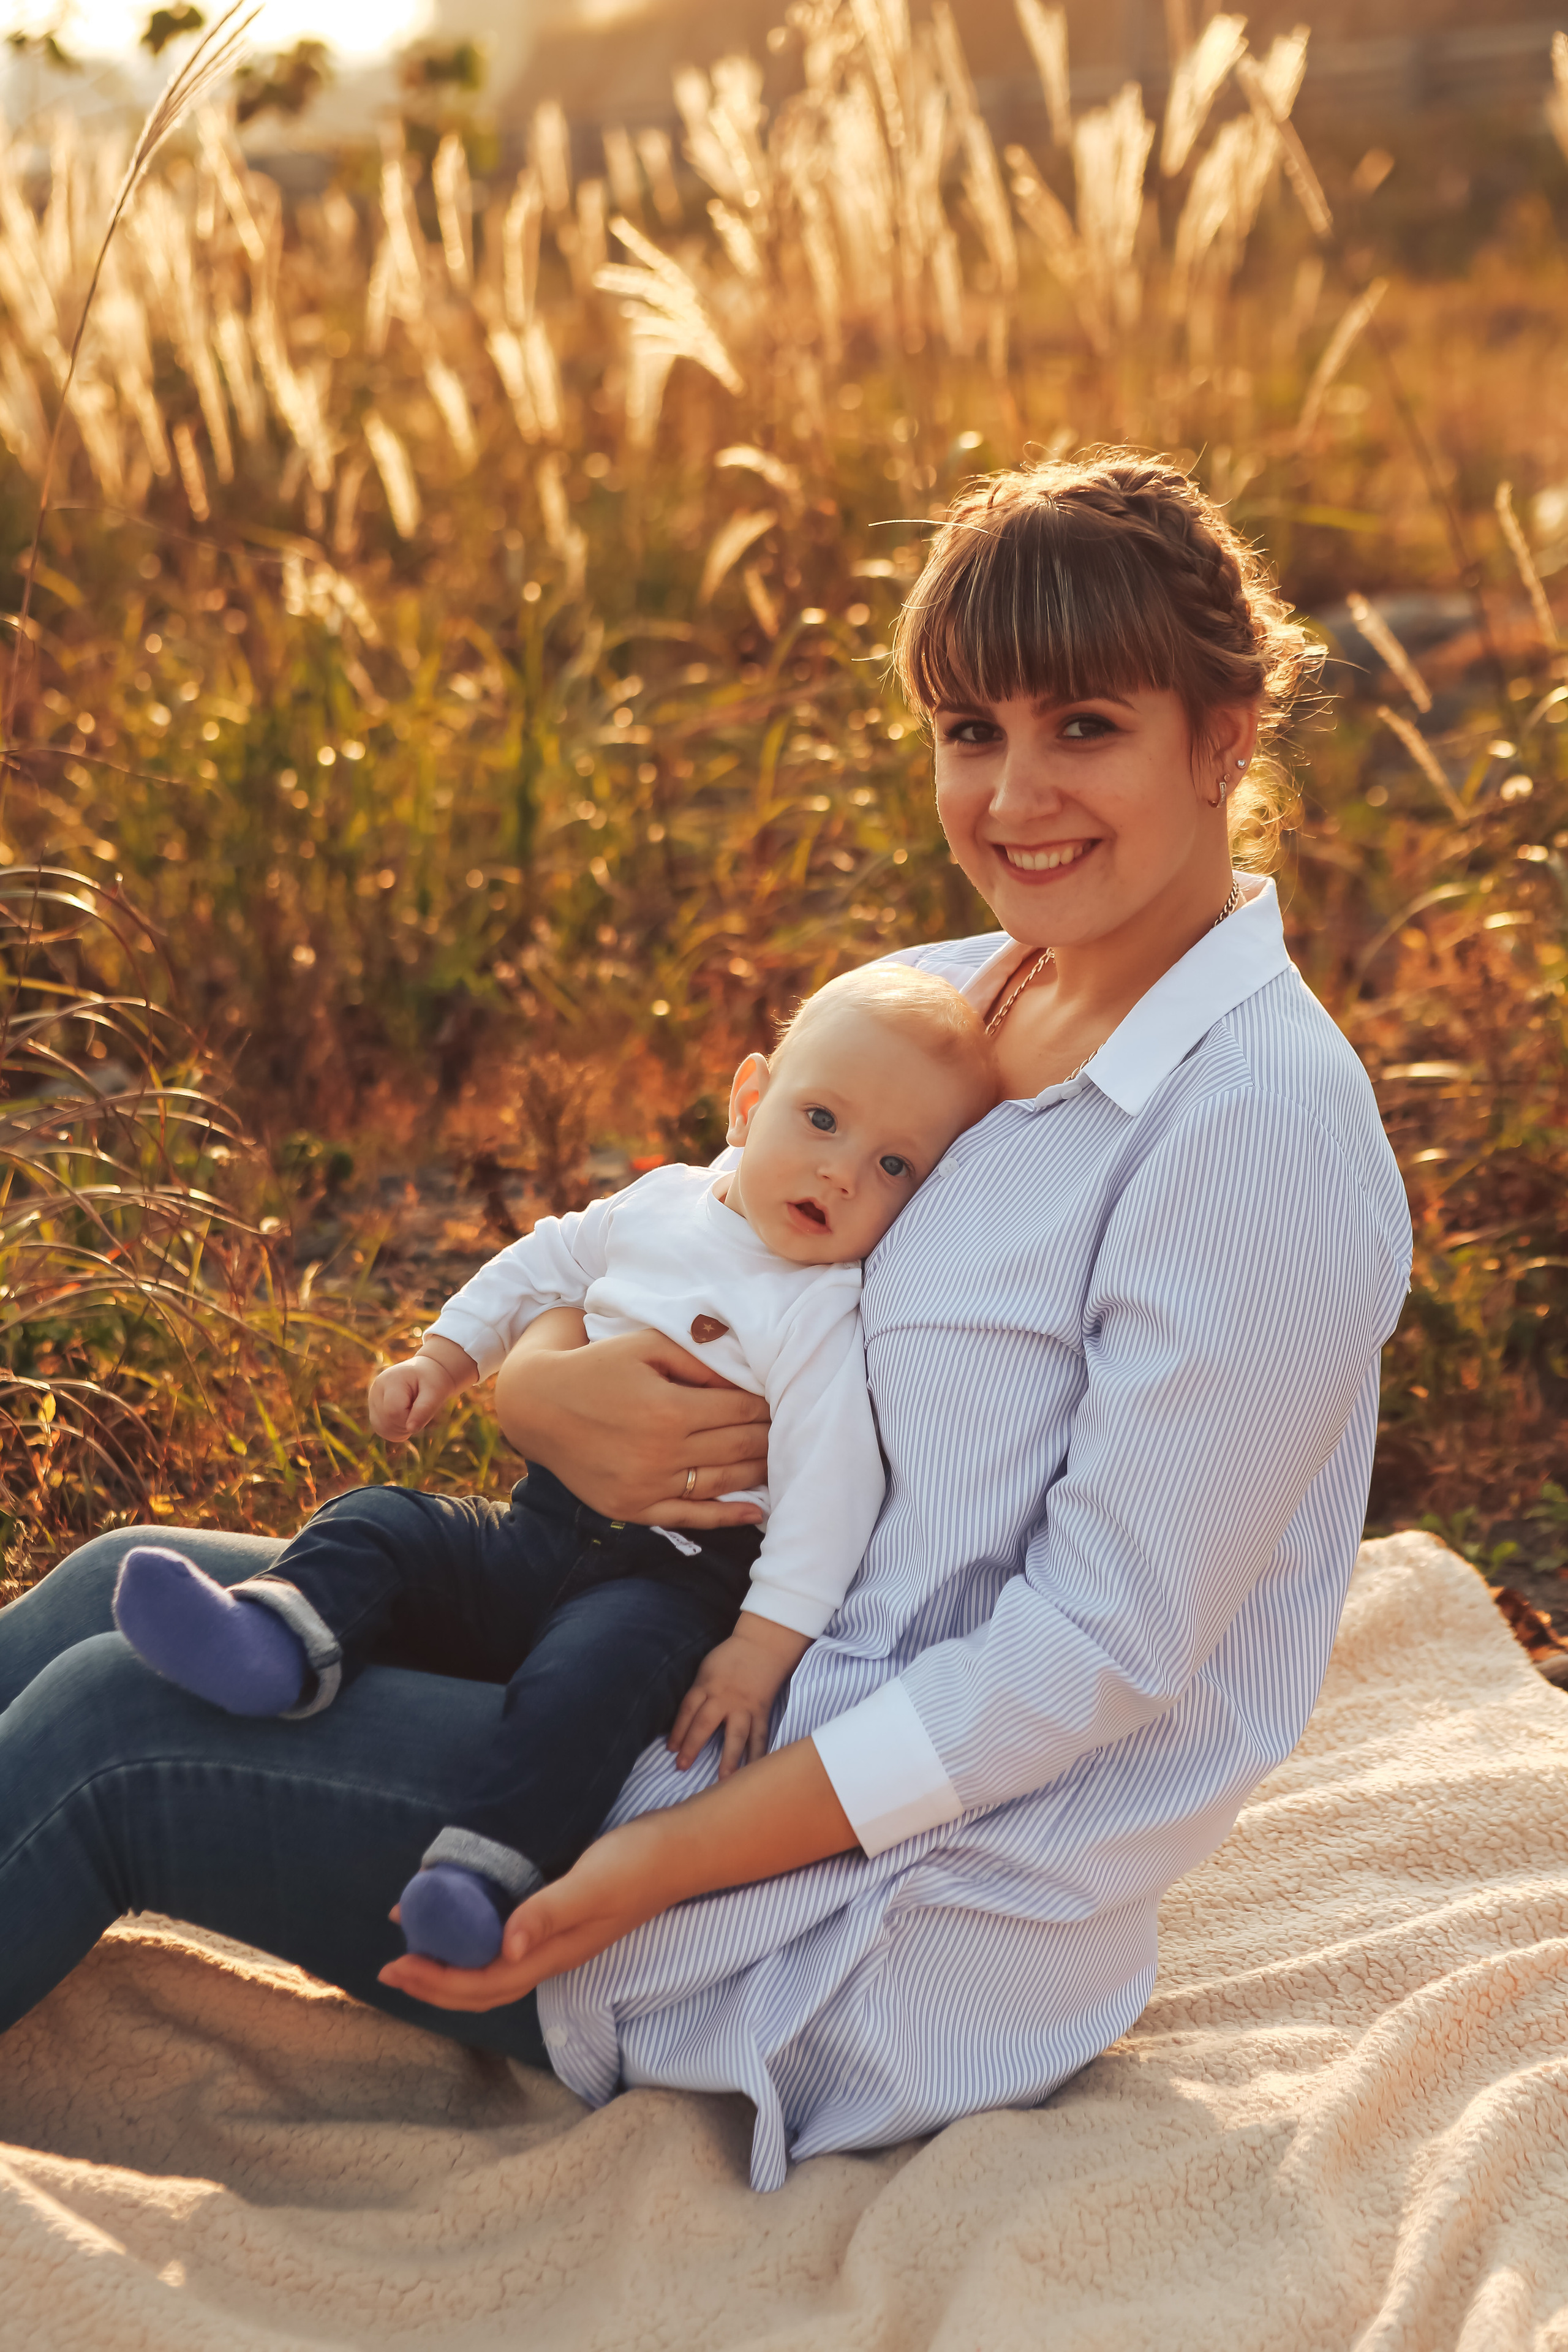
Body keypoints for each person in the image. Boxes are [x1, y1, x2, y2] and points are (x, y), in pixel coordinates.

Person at [0, 453, 1411, 2193]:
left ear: (1228, 735)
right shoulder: (966, 996)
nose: (1016, 793)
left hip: (846, 1895)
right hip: (663, 1635)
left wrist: (652, 1872)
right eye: (972, 730)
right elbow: (690, 1244)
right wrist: (532, 1390)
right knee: (114, 1573)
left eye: (1087, 727)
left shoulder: (1257, 1130)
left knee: (116, 1735)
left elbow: (1094, 1660)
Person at [105, 968, 996, 1970]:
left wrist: (757, 1651)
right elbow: (542, 1264)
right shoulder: (660, 1202)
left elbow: (833, 1499)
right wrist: (445, 1356)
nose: (841, 1174)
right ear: (750, 1102)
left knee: (591, 1691)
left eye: (894, 1167)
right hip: (537, 1528)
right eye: (822, 1119)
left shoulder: (821, 1312)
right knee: (386, 1521)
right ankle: (275, 1643)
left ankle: (479, 1872)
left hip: (669, 1581)